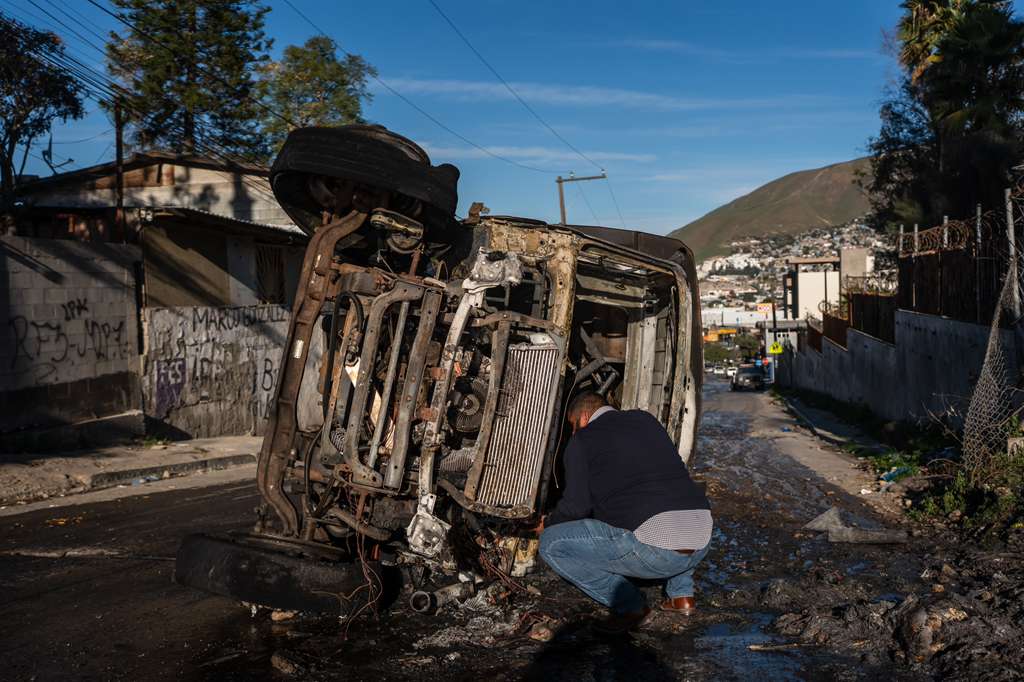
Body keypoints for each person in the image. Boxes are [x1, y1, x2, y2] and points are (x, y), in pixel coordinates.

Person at [538, 392, 713, 634]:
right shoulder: (646, 421)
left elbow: (576, 507)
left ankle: (632, 608)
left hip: (659, 552)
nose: (573, 433)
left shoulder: (582, 440)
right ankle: (681, 597)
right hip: (702, 537)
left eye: (573, 426)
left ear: (584, 417)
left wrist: (547, 523)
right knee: (669, 506)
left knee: (550, 544)